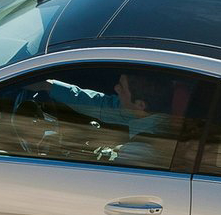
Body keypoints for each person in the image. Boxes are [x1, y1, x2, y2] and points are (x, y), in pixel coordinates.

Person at [34, 71, 177, 167]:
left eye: (121, 87)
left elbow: (107, 177)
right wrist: (47, 85)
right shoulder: (146, 112)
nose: (115, 88)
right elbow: (101, 104)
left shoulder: (141, 149)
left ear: (140, 104)